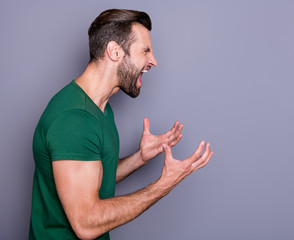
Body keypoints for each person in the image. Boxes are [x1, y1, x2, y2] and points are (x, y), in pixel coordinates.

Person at [29, 9, 213, 240]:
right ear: (115, 51)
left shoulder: (100, 108)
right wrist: (164, 184)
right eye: (145, 51)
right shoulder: (75, 120)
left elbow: (91, 178)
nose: (153, 61)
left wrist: (140, 158)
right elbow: (86, 224)